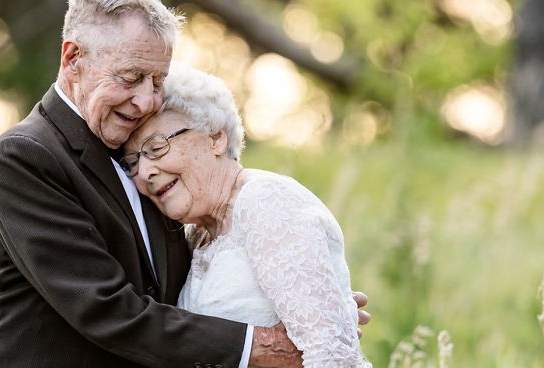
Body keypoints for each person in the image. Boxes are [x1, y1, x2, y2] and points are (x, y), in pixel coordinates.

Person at [0, 1, 371, 367]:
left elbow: (177, 295)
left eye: (157, 82)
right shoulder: (27, 155)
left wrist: (304, 302)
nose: (146, 100)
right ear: (74, 58)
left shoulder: (162, 176)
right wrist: (263, 342)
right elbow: (104, 308)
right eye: (131, 77)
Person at [121, 63, 373, 367]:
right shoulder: (197, 236)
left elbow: (332, 353)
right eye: (132, 163)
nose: (146, 172)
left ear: (216, 138)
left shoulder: (266, 200)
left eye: (157, 147)